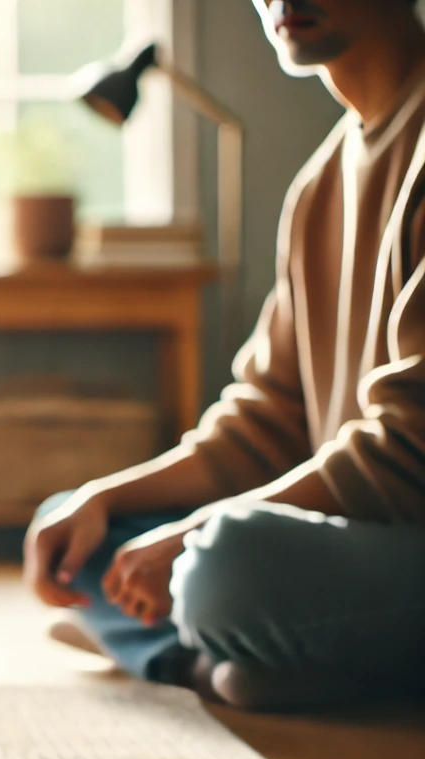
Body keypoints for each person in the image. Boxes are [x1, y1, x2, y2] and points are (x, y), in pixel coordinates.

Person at [24, 0, 425, 711]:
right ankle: (232, 661)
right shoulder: (321, 183)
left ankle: (188, 656)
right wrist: (105, 498)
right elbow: (264, 422)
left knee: (229, 565)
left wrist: (192, 536)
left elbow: (408, 449)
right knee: (77, 532)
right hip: (344, 544)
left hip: (401, 548)